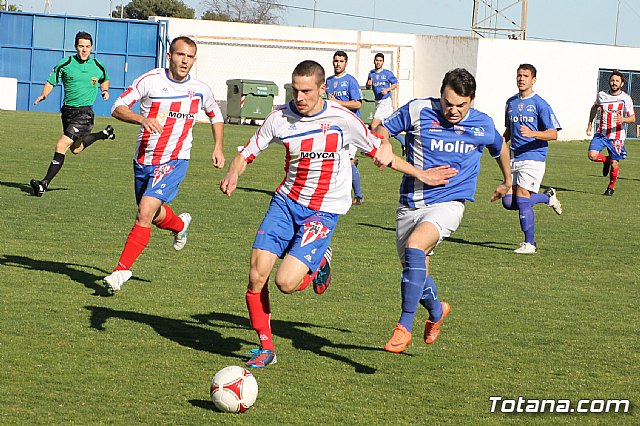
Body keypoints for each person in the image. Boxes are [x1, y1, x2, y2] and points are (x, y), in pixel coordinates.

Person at [220, 60, 457, 368]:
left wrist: (421, 174)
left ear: (322, 89)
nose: (300, 97)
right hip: (285, 203)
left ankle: (320, 259)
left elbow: (381, 150)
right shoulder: (279, 117)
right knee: (256, 275)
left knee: (286, 283)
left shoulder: (342, 119)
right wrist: (234, 172)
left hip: (322, 211)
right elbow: (248, 150)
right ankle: (266, 348)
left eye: (307, 91)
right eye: (296, 90)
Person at [374, 68, 512, 354]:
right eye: (449, 103)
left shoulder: (482, 124)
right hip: (410, 202)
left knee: (415, 246)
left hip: (450, 203)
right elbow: (381, 130)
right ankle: (437, 310)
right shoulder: (418, 110)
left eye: (461, 105)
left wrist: (508, 181)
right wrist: (384, 142)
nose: (453, 110)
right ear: (441, 94)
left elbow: (500, 147)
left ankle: (403, 327)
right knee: (414, 271)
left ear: (472, 101)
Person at [103, 36, 225, 293]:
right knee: (151, 213)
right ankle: (180, 225)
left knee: (145, 211)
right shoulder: (151, 80)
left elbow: (216, 115)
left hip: (175, 158)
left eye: (190, 57)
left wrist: (217, 147)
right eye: (180, 55)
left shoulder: (200, 89)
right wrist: (140, 118)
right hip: (144, 159)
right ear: (169, 56)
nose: (185, 61)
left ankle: (121, 270)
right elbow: (117, 106)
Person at [30, 31, 115, 197]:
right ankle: (104, 134)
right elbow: (51, 80)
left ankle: (43, 184)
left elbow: (105, 78)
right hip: (67, 112)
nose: (84, 50)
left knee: (61, 145)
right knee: (76, 149)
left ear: (92, 48)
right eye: (81, 46)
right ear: (75, 47)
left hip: (84, 114)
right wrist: (44, 94)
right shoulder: (66, 63)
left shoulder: (97, 65)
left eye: (88, 47)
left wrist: (104, 90)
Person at [501, 64, 563, 255]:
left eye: (526, 76)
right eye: (519, 75)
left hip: (534, 157)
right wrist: (499, 143)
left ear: (533, 80)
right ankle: (547, 197)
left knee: (521, 197)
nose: (521, 79)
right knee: (508, 201)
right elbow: (509, 131)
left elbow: (553, 134)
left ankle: (530, 244)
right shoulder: (510, 103)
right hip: (515, 156)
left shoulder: (540, 104)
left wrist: (533, 133)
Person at [586, 70, 636, 196]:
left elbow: (633, 118)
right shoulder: (602, 95)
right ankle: (606, 161)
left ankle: (611, 187)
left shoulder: (625, 99)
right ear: (609, 81)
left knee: (615, 164)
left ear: (622, 83)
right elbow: (594, 108)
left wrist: (623, 119)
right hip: (602, 134)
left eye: (617, 81)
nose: (614, 83)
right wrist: (590, 123)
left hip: (617, 137)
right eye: (612, 80)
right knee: (592, 155)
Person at [325, 51, 365, 205]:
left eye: (341, 61)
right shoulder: (328, 81)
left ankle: (359, 196)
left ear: (346, 63)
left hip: (352, 127)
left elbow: (358, 103)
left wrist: (338, 103)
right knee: (334, 161)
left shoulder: (350, 81)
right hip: (336, 127)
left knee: (348, 161)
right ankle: (337, 194)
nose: (338, 64)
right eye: (336, 60)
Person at [366, 52, 405, 151]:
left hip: (385, 101)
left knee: (374, 125)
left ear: (383, 62)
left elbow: (395, 84)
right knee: (387, 125)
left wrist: (388, 89)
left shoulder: (387, 73)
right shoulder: (371, 73)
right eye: (377, 60)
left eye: (380, 61)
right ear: (374, 61)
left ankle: (374, 146)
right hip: (377, 101)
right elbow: (368, 87)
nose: (378, 62)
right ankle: (404, 142)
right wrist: (368, 84)